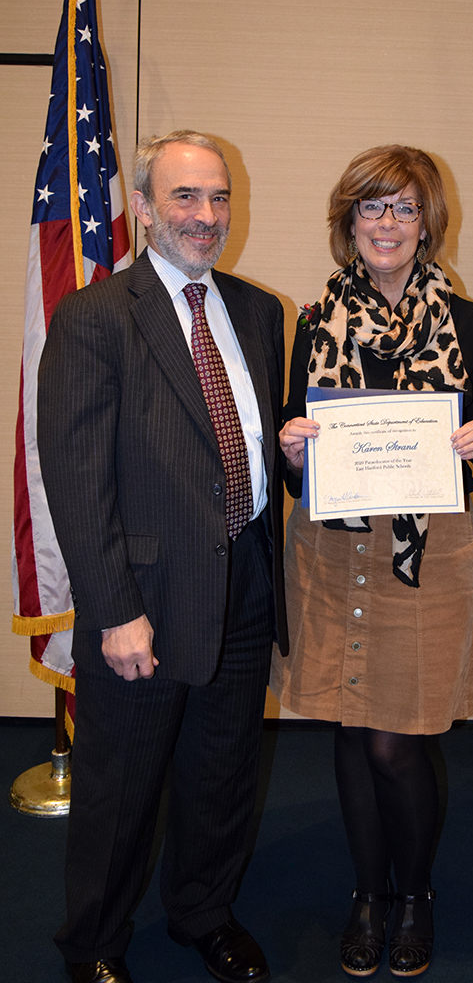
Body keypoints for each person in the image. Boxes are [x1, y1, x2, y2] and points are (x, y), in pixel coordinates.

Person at [38, 131, 287, 983]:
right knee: (122, 787)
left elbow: (252, 442)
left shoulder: (258, 312)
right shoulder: (96, 316)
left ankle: (203, 913)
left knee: (223, 771)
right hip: (142, 595)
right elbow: (76, 479)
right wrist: (114, 611)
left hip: (244, 578)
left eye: (218, 197)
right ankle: (94, 942)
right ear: (143, 207)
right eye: (185, 197)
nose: (206, 215)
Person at [271, 145, 473, 978]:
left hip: (427, 550)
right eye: (371, 206)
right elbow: (292, 453)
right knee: (350, 724)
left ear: (427, 223)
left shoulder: (470, 323)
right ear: (349, 221)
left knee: (396, 741)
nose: (387, 223)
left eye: (404, 208)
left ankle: (416, 894)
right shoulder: (314, 320)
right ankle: (367, 895)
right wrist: (292, 449)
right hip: (334, 548)